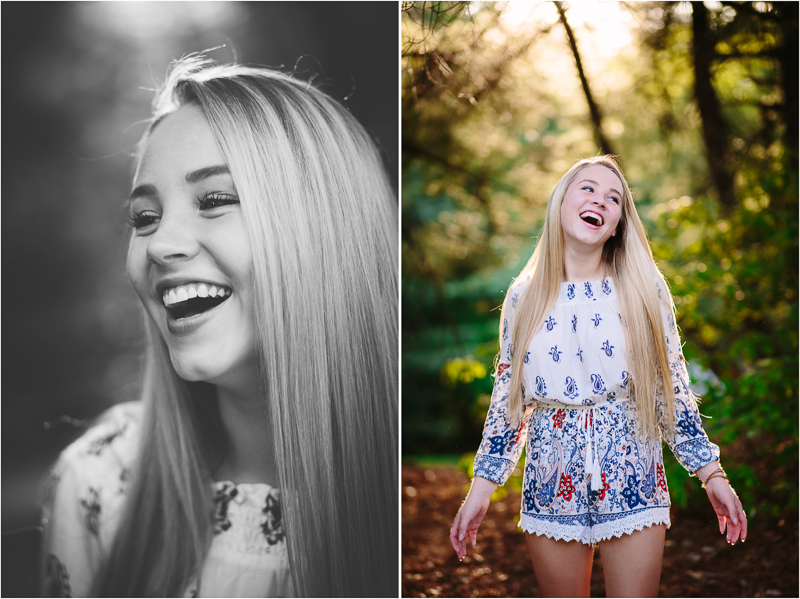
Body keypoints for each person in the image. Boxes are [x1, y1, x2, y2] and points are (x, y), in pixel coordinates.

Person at [40, 55, 398, 598]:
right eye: (144, 218)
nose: (159, 245)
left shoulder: (405, 496)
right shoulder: (101, 481)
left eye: (214, 200)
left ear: (324, 230)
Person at [449, 156, 746, 597]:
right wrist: (482, 487)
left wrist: (711, 473)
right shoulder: (523, 297)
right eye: (588, 188)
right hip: (550, 479)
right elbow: (508, 403)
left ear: (617, 226)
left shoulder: (644, 287)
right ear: (562, 201)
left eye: (614, 199)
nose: (600, 202)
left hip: (633, 474)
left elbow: (673, 391)